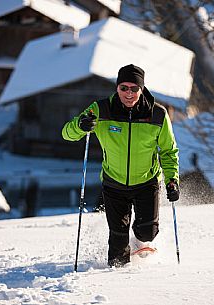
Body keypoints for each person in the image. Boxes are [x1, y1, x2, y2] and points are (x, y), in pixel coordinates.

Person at [62, 64, 180, 267]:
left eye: (134, 88)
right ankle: (118, 281)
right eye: (123, 87)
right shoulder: (101, 110)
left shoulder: (157, 115)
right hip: (114, 183)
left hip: (146, 182)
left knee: (147, 232)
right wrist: (80, 125)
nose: (129, 93)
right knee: (117, 251)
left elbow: (168, 152)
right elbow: (67, 134)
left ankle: (139, 242)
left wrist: (172, 180)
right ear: (117, 88)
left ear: (142, 89)